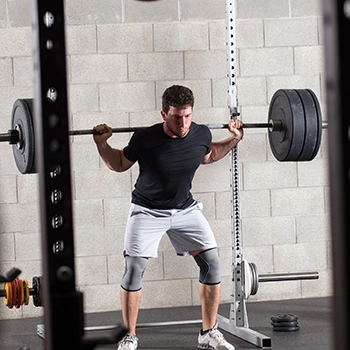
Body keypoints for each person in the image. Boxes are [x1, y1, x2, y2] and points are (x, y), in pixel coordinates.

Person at [93, 85, 243, 350]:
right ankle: (129, 336)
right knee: (134, 270)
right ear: (164, 113)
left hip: (185, 209)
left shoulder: (201, 133)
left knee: (211, 264)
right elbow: (118, 164)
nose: (183, 123)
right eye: (177, 117)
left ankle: (208, 333)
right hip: (147, 210)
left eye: (187, 116)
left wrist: (234, 138)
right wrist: (102, 143)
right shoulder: (144, 138)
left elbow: (208, 155)